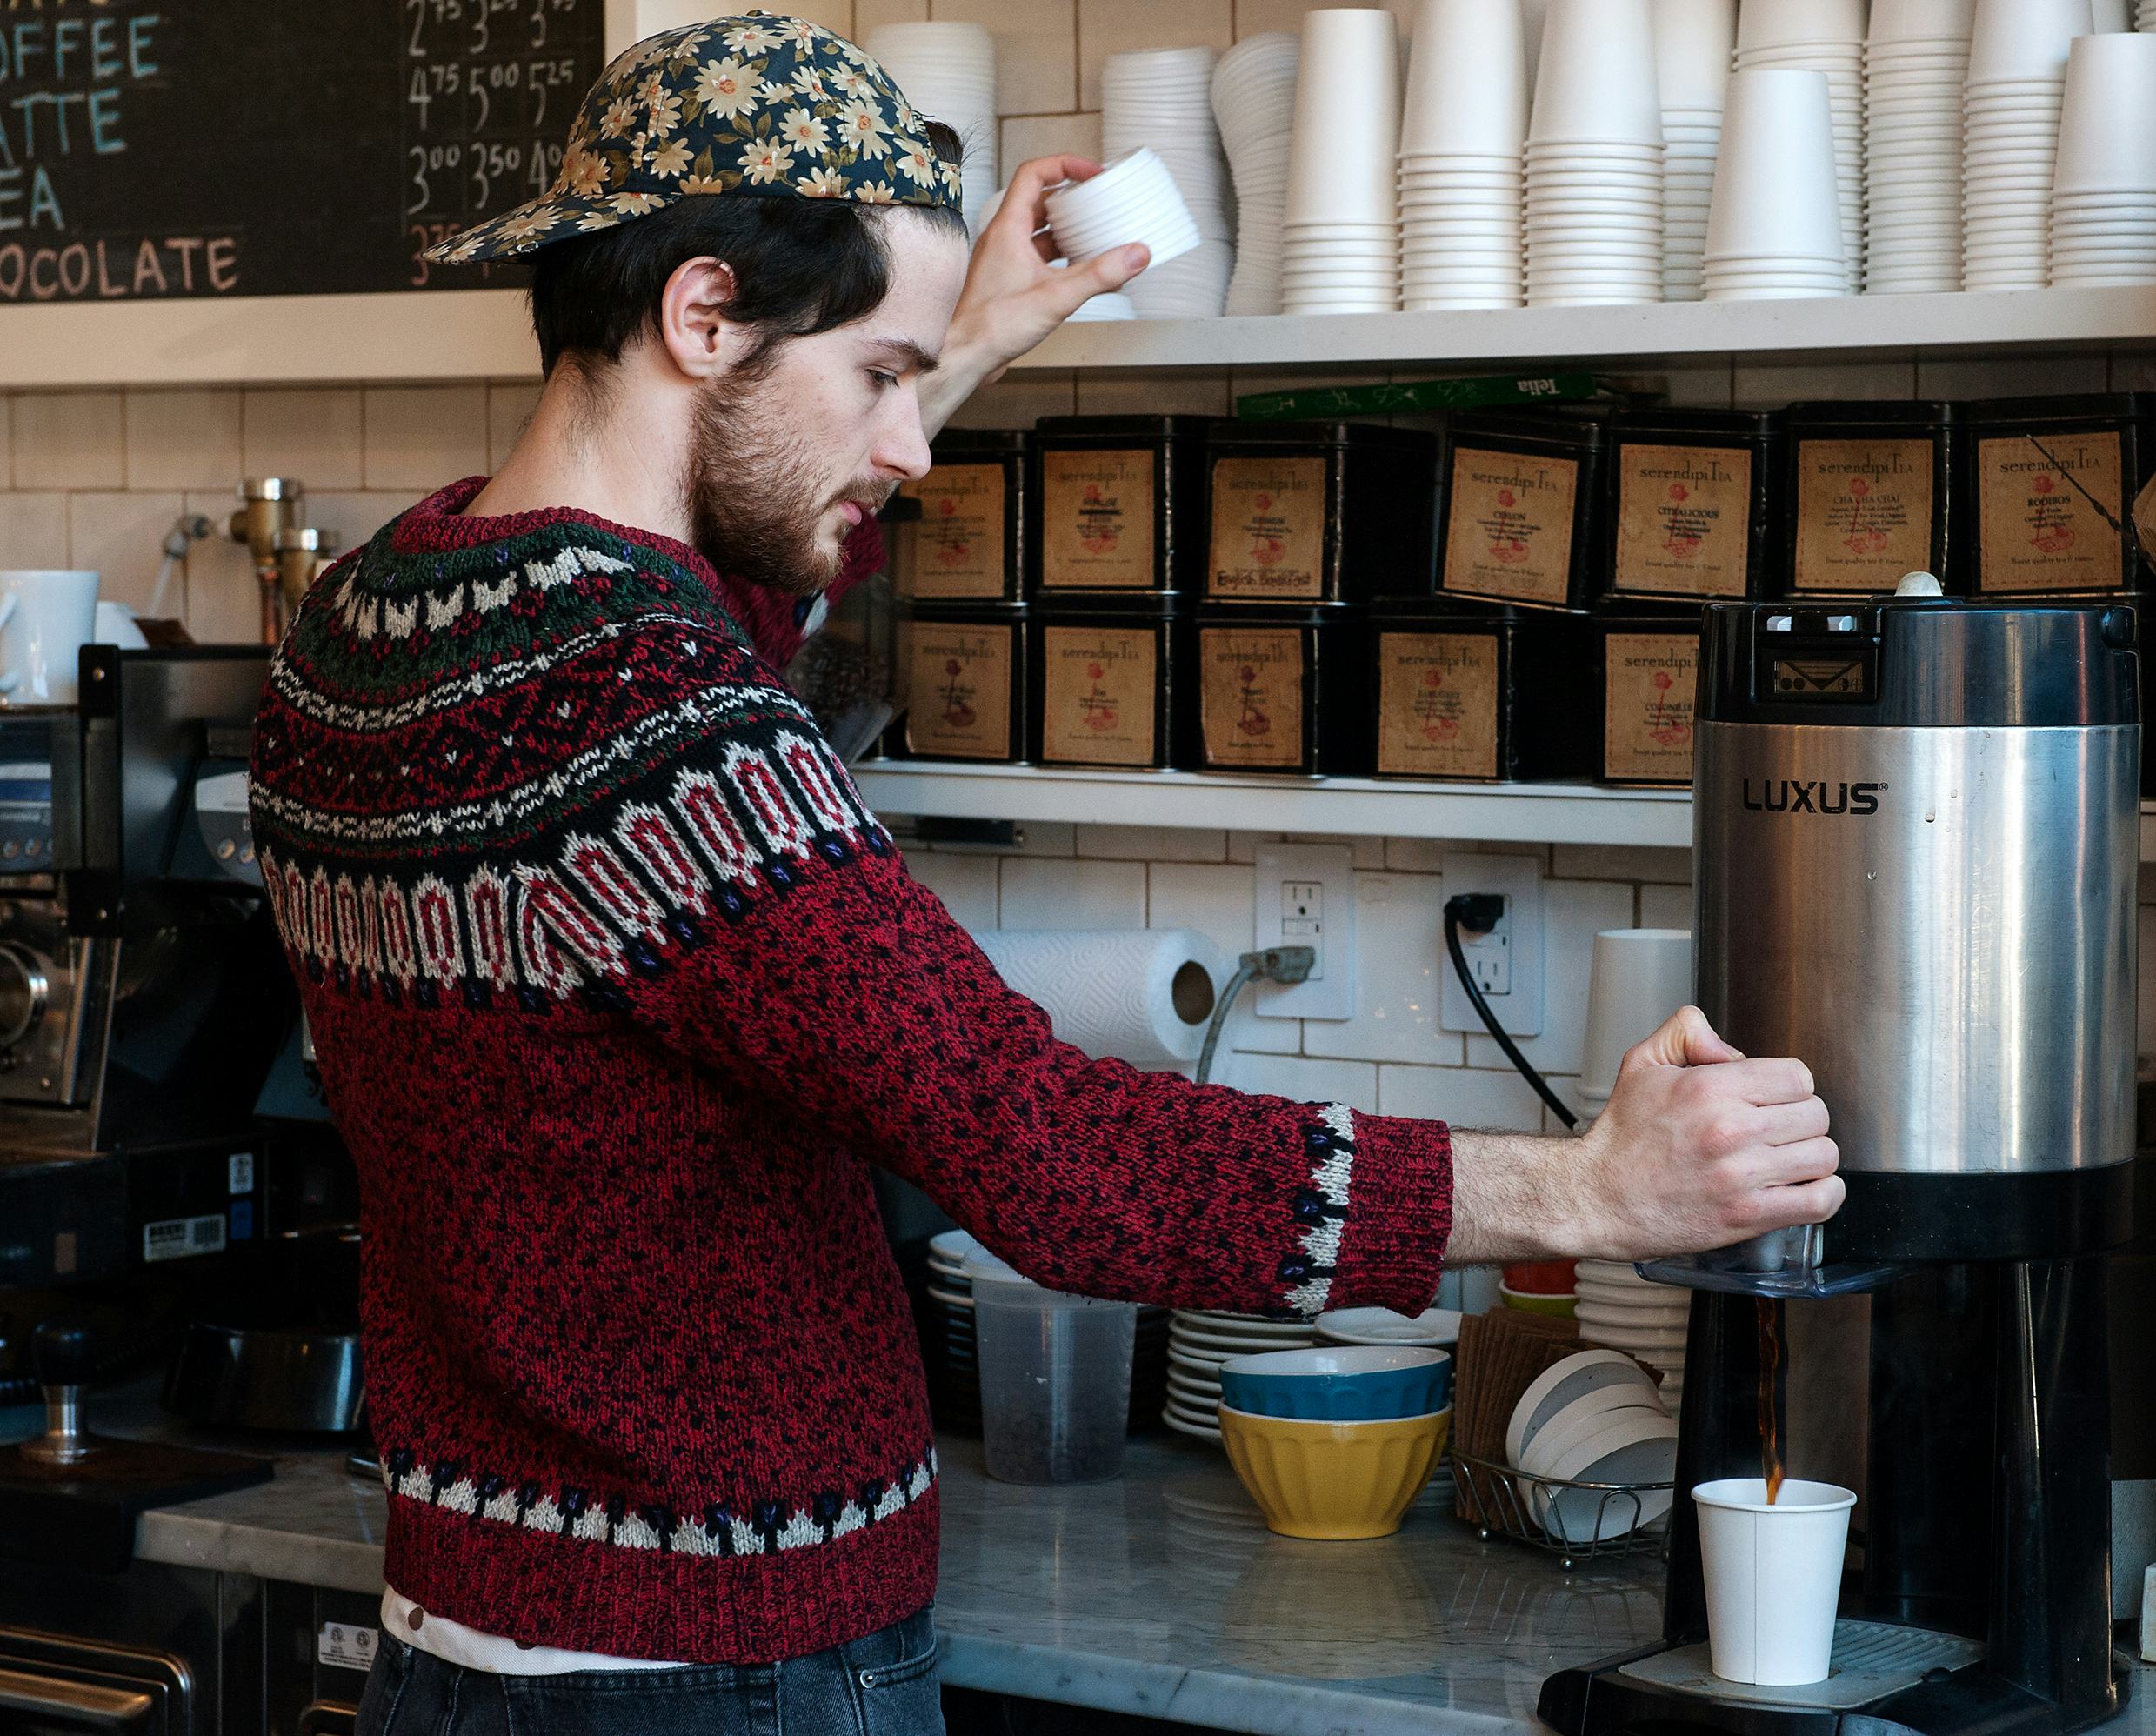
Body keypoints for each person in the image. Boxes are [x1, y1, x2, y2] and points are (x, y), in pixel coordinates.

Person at [248, 17, 1841, 1736]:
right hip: (720, 1674)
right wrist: (1589, 1191)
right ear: (701, 315)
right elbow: (1061, 1159)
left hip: (462, 1638)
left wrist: (961, 333)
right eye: (877, 376)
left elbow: (685, 643)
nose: (912, 447)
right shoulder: (661, 730)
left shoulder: (367, 629)